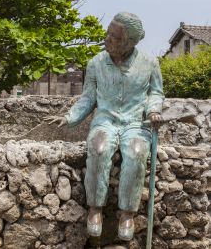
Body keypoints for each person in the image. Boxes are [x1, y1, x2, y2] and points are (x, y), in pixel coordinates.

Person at [45, 12, 164, 240]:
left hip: (135, 123)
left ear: (128, 42)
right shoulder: (96, 63)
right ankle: (95, 209)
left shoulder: (149, 63)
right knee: (99, 149)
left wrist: (154, 111)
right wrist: (69, 117)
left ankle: (127, 213)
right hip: (105, 121)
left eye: (113, 36)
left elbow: (155, 93)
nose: (106, 38)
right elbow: (88, 98)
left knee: (137, 152)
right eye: (108, 32)